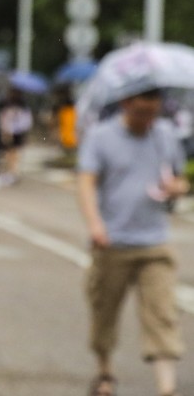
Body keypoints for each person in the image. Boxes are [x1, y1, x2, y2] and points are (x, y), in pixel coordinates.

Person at [77, 88, 188, 396]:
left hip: (155, 241)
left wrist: (176, 188)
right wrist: (95, 225)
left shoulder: (165, 134)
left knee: (162, 314)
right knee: (104, 312)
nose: (146, 119)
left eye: (152, 112)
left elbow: (180, 179)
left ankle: (166, 388)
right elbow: (86, 183)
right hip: (112, 241)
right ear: (126, 104)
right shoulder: (101, 136)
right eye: (140, 112)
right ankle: (105, 374)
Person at [0, 87, 32, 185]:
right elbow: (3, 118)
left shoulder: (23, 107)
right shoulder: (6, 105)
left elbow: (26, 121)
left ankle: (13, 173)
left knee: (14, 153)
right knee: (7, 153)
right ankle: (9, 172)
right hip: (8, 132)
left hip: (17, 132)